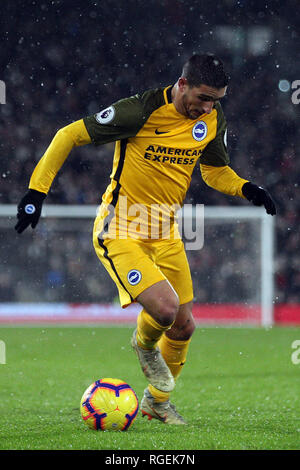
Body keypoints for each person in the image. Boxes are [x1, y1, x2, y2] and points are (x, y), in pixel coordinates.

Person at [15, 54, 276, 425]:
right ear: (182, 84)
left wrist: (246, 188)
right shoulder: (139, 111)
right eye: (203, 97)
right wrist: (36, 192)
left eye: (216, 100)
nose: (207, 107)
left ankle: (156, 402)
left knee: (185, 326)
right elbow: (68, 135)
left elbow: (215, 171)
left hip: (165, 233)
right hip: (120, 229)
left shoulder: (211, 119)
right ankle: (143, 344)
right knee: (166, 310)